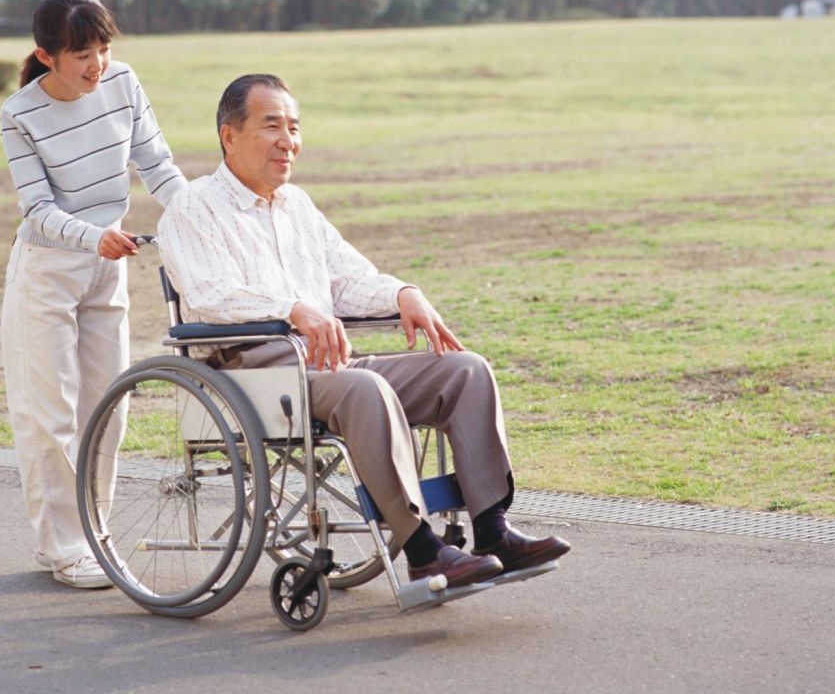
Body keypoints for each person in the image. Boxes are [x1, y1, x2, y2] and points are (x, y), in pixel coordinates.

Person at [157, 73, 570, 589]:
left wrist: (403, 294)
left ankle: (492, 530)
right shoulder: (193, 208)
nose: (289, 141)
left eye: (294, 127)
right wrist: (294, 308)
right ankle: (422, 550)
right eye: (272, 126)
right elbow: (212, 295)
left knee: (466, 371)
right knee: (365, 387)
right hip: (255, 372)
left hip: (327, 367)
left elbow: (350, 278)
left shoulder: (298, 207)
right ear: (229, 136)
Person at [0, 0, 186, 589]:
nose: (96, 64)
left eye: (102, 47)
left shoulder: (124, 84)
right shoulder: (19, 115)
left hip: (107, 265)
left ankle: (90, 534)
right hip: (46, 272)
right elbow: (35, 210)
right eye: (81, 53)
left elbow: (157, 165)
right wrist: (92, 237)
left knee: (109, 407)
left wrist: (200, 217)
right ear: (46, 55)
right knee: (49, 415)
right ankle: (63, 546)